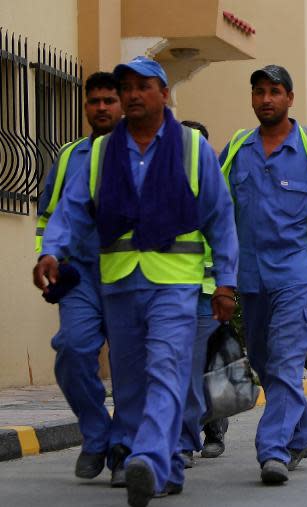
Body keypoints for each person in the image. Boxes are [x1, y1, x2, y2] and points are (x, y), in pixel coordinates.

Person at [34, 56, 238, 506]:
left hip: (175, 284)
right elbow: (69, 209)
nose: (132, 94)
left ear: (164, 94)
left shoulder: (191, 147)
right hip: (119, 282)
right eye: (126, 86)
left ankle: (148, 457)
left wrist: (225, 282)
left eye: (143, 86)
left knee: (166, 369)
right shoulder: (102, 152)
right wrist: (52, 250)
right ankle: (144, 458)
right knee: (129, 382)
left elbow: (220, 218)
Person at [218, 65, 307, 484]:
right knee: (263, 359)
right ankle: (299, 431)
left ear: (290, 98)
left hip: (296, 273)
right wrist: (217, 277)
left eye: (275, 91)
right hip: (249, 275)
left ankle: (273, 450)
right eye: (259, 91)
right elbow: (218, 213)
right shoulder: (237, 148)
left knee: (283, 359)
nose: (266, 99)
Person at [34, 72, 122, 482]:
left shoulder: (140, 153)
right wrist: (47, 255)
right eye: (95, 101)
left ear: (122, 105)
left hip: (130, 274)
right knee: (71, 350)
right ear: (85, 106)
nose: (101, 107)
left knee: (131, 366)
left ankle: (126, 444)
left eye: (109, 100)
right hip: (81, 276)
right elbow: (51, 215)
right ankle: (96, 435)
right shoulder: (70, 157)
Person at [176, 120, 229, 465]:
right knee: (185, 365)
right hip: (176, 288)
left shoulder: (217, 186)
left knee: (207, 365)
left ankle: (209, 430)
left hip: (212, 292)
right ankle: (186, 436)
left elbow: (227, 237)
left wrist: (227, 286)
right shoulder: (164, 182)